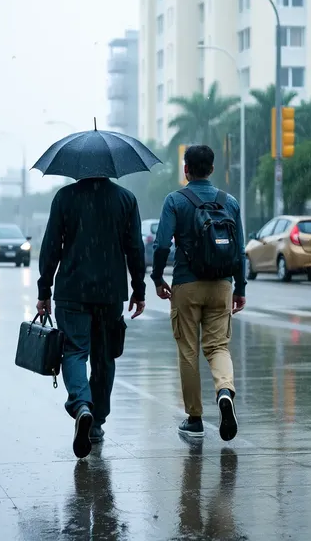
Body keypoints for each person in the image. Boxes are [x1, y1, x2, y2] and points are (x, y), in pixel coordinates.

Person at [36, 177, 146, 459]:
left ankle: (81, 404)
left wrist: (44, 289)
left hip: (72, 290)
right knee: (104, 357)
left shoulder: (64, 197)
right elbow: (135, 247)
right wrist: (139, 289)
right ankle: (96, 422)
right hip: (110, 292)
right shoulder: (125, 199)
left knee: (74, 351)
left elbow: (51, 246)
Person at [151, 145, 246, 441]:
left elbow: (162, 245)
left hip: (186, 285)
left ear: (186, 170)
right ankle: (224, 392)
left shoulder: (175, 201)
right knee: (218, 347)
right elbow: (240, 251)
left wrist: (156, 278)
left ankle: (195, 419)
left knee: (188, 351)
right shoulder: (229, 202)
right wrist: (239, 288)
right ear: (213, 169)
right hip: (221, 284)